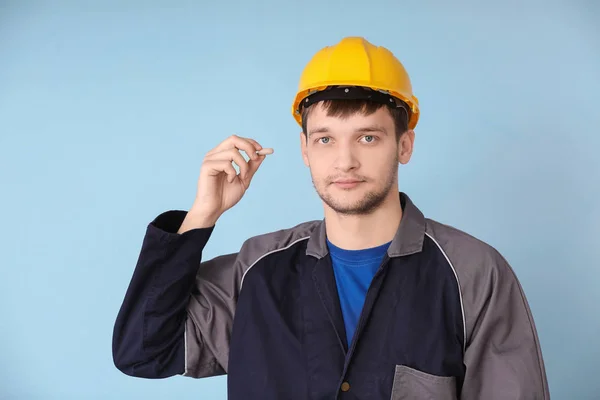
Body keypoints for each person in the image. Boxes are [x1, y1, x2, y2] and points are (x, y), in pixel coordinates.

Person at [112, 36, 550, 399]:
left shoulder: (474, 274)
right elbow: (142, 351)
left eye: (367, 137)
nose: (345, 161)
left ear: (404, 146)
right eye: (324, 139)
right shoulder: (255, 272)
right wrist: (202, 216)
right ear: (304, 150)